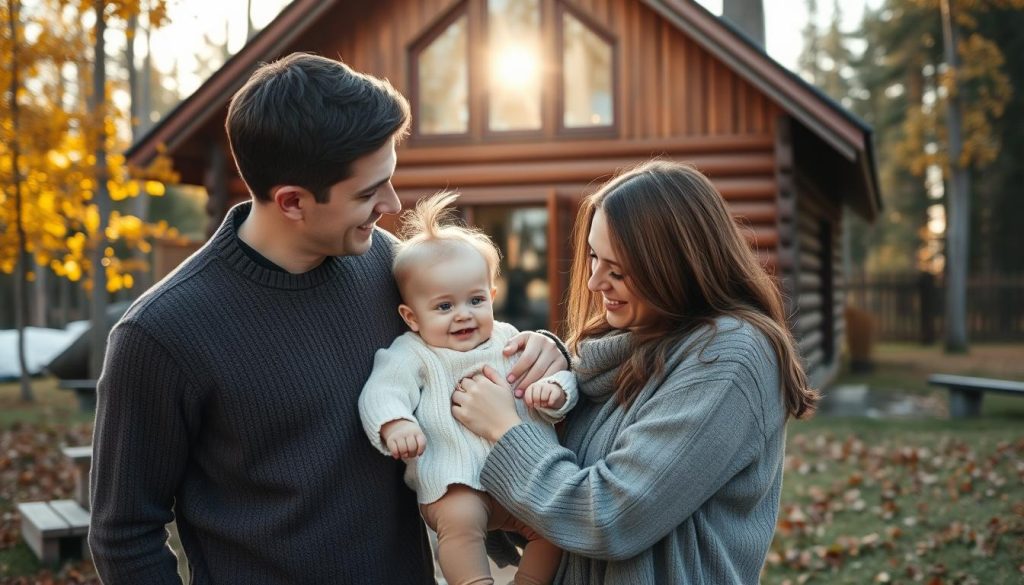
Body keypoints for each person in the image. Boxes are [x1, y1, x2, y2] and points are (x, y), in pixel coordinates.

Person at [88, 52, 568, 584]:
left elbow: (467, 347)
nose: (391, 203)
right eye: (368, 192)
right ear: (292, 201)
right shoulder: (161, 335)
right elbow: (125, 535)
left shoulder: (389, 268)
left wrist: (545, 349)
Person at [451, 160, 820, 584]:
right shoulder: (620, 346)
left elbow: (611, 516)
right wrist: (549, 372)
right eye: (593, 256)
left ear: (675, 267)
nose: (593, 283)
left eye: (619, 270)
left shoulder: (728, 357)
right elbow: (548, 508)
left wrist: (508, 428)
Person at [358, 192, 576, 585]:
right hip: (453, 479)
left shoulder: (510, 341)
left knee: (555, 524)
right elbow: (382, 391)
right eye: (443, 307)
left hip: (519, 478)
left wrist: (556, 392)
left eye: (475, 300)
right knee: (459, 524)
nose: (463, 315)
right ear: (411, 317)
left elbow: (557, 376)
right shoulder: (413, 353)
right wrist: (395, 424)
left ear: (492, 297)